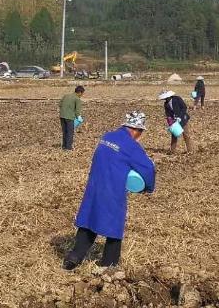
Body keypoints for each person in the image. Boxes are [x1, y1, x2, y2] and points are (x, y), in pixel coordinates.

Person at [63, 111, 155, 270]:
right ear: (135, 130)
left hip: (95, 185)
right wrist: (147, 187)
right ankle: (109, 264)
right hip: (113, 188)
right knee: (114, 224)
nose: (140, 135)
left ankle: (74, 257)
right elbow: (148, 169)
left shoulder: (107, 137)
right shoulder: (131, 145)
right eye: (141, 132)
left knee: (89, 220)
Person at [59, 85, 85, 150]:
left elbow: (60, 104)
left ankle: (64, 146)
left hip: (62, 116)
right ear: (79, 92)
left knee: (65, 131)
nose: (81, 95)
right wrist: (79, 118)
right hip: (70, 117)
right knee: (70, 132)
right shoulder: (77, 99)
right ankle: (68, 148)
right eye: (82, 94)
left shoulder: (66, 96)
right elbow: (77, 111)